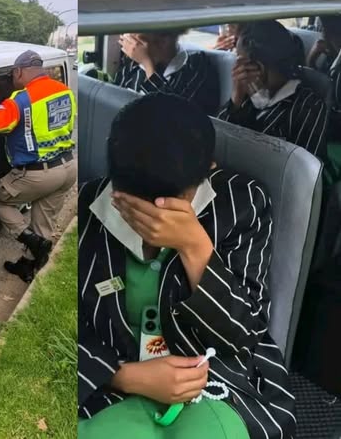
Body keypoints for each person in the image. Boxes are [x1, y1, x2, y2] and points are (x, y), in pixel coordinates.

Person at [78, 93, 295, 439]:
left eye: (171, 203)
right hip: (108, 379)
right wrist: (123, 376)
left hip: (215, 378)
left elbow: (246, 332)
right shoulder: (85, 208)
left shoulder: (240, 205)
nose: (153, 217)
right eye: (135, 206)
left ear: (210, 169)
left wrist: (194, 246)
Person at [0, 50, 77, 282]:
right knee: (44, 221)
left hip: (38, 174)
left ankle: (30, 240)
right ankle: (30, 267)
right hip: (68, 167)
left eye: (12, 75)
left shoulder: (22, 100)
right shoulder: (64, 91)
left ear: (19, 72)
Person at [218, 20, 328, 159]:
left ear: (258, 67)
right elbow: (219, 143)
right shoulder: (246, 94)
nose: (236, 69)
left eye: (240, 62)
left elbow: (307, 165)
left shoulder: (308, 106)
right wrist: (235, 101)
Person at [115, 30, 220, 115]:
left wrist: (148, 65)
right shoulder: (134, 65)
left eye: (138, 44)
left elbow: (168, 116)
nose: (132, 49)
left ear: (164, 40)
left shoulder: (196, 67)